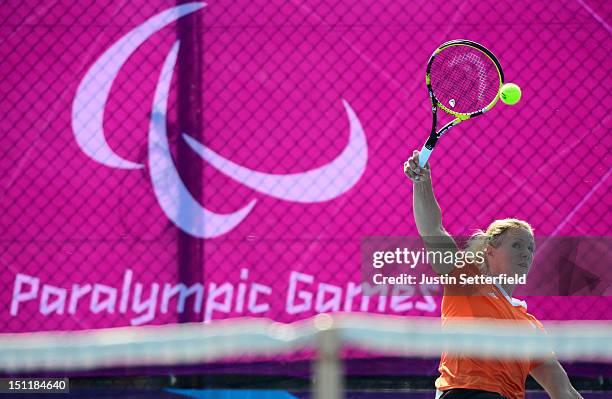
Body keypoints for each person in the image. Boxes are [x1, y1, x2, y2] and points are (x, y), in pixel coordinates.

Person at [404, 150, 582, 399]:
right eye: (517, 245)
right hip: (463, 393)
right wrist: (422, 183)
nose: (526, 254)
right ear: (490, 251)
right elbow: (433, 229)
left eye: (530, 248)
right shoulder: (465, 279)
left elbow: (564, 391)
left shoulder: (530, 326)